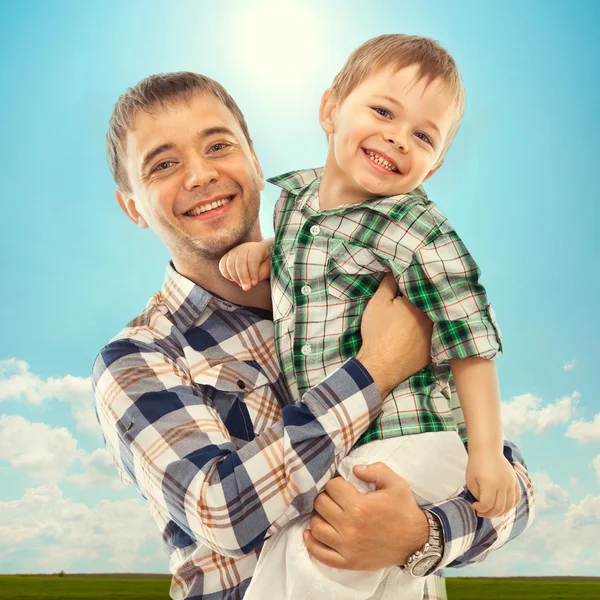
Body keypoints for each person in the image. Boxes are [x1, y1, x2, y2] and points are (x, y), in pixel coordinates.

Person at [93, 70, 535, 600]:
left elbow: (512, 488)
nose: (200, 174)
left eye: (219, 145)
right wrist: (376, 369)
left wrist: (424, 535)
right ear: (134, 206)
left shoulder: (363, 274)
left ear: (255, 161)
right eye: (164, 164)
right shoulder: (139, 357)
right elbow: (222, 510)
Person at [219, 34, 523, 599]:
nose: (396, 138)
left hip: (414, 433)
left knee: (318, 547)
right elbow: (309, 256)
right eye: (383, 111)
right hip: (352, 440)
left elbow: (470, 340)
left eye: (423, 136)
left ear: (437, 162)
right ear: (330, 108)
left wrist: (486, 452)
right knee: (372, 571)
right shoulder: (294, 202)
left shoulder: (419, 232)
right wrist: (268, 252)